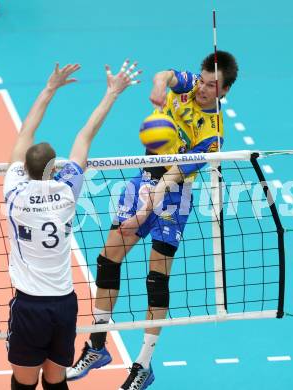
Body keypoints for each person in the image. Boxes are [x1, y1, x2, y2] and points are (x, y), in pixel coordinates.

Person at [66, 51, 238, 390]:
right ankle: (97, 347)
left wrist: (146, 209)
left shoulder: (213, 136)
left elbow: (173, 175)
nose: (202, 89)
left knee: (156, 279)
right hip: (142, 179)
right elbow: (165, 75)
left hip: (173, 194)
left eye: (212, 86)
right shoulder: (189, 85)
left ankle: (143, 366)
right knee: (107, 259)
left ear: (225, 91)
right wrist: (159, 88)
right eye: (202, 81)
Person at [3, 59, 141, 390]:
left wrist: (49, 88)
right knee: (55, 380)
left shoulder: (15, 192)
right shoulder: (67, 191)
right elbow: (85, 135)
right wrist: (112, 93)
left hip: (30, 305)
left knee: (23, 383)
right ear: (55, 167)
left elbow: (25, 132)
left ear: (26, 167)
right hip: (64, 303)